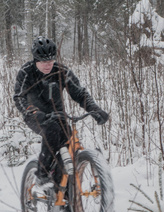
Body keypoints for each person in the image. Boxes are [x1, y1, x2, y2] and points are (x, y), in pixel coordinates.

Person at [13, 36, 109, 188]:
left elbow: (80, 93)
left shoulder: (61, 71)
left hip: (59, 115)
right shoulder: (26, 72)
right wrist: (31, 111)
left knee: (67, 148)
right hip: (35, 116)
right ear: (35, 60)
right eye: (43, 62)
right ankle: (42, 173)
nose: (48, 65)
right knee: (52, 131)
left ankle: (63, 195)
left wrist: (94, 109)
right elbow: (19, 97)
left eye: (51, 61)